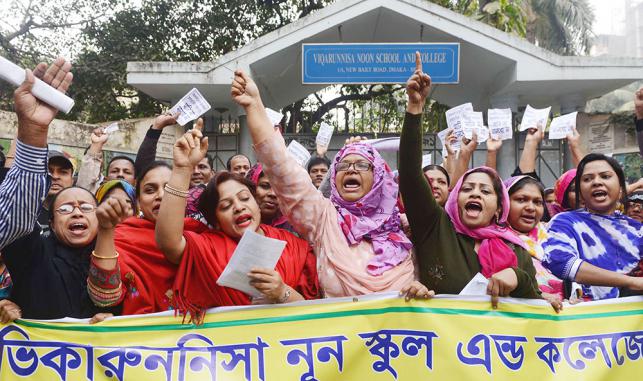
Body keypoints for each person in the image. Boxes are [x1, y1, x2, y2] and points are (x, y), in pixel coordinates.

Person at [230, 69, 431, 300]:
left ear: (379, 179)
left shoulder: (406, 228)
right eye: (343, 166)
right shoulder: (324, 218)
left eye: (362, 165)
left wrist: (420, 293)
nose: (351, 169)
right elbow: (281, 168)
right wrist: (254, 105)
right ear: (333, 179)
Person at [398, 53, 542, 309]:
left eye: (485, 191)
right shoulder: (436, 227)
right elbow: (409, 174)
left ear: (499, 207)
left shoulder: (517, 251)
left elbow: (537, 307)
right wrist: (415, 108)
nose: (475, 194)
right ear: (456, 199)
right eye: (467, 188)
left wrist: (517, 277)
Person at [154, 120, 319, 321]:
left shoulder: (292, 246)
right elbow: (168, 242)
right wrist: (181, 169)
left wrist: (282, 292)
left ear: (256, 202)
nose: (239, 207)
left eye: (244, 198)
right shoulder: (206, 247)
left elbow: (314, 314)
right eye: (225, 206)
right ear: (215, 221)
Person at [87, 162, 210, 315]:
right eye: (150, 190)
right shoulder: (121, 237)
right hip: (146, 335)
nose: (161, 195)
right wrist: (105, 230)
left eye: (169, 189)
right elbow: (104, 298)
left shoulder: (202, 234)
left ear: (185, 195)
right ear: (138, 202)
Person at [542, 153, 643, 301]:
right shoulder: (565, 222)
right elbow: (562, 263)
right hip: (588, 319)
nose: (596, 182)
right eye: (587, 179)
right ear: (580, 191)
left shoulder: (637, 229)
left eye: (605, 176)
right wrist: (631, 282)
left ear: (621, 185)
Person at [504, 176, 563, 302]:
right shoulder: (493, 241)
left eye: (537, 202)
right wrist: (536, 295)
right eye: (521, 200)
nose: (531, 207)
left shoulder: (555, 234)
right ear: (504, 202)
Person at [246, 163, 296, 233]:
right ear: (251, 188)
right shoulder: (236, 226)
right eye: (265, 186)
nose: (273, 194)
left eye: (279, 189)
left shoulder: (296, 228)